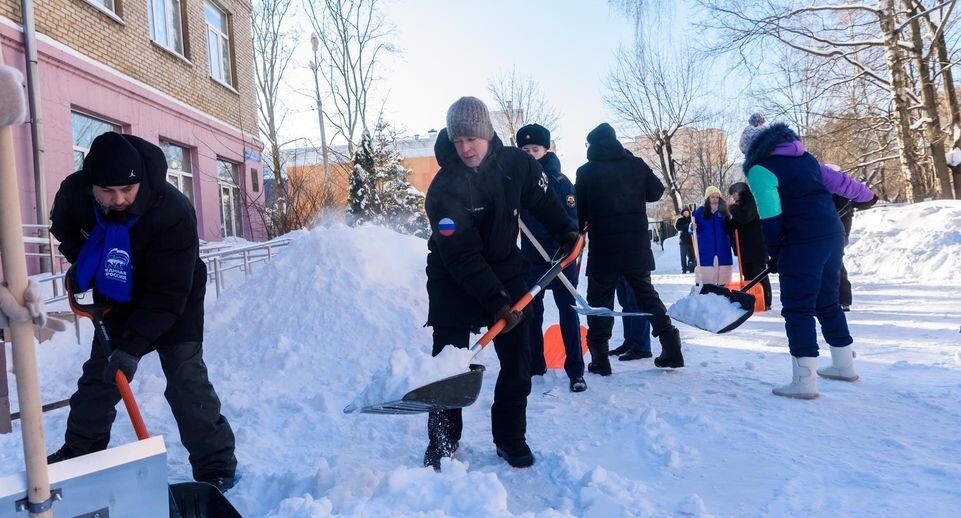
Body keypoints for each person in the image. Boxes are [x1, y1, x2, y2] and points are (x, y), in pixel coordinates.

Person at [46, 132, 238, 491]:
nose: (117, 199)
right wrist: (84, 265)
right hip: (116, 290)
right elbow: (66, 230)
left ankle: (216, 466)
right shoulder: (74, 194)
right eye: (107, 191)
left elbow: (169, 295)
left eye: (126, 190)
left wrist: (131, 349)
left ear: (139, 183)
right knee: (100, 378)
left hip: (172, 294)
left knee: (185, 377)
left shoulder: (173, 211)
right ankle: (80, 453)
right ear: (92, 186)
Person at [423, 97, 578, 469]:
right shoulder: (443, 190)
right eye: (457, 140)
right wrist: (496, 303)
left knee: (518, 359)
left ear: (488, 134)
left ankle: (510, 436)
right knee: (449, 362)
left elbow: (542, 199)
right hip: (453, 275)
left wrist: (565, 230)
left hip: (505, 265)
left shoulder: (516, 165)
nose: (465, 148)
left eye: (472, 139)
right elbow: (461, 256)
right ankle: (443, 439)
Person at [741, 120, 859, 399]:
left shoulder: (760, 169)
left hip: (801, 241)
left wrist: (774, 251)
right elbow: (841, 181)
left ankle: (804, 381)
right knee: (827, 301)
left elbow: (771, 216)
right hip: (831, 235)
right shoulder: (805, 158)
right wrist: (867, 195)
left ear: (751, 149)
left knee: (798, 307)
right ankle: (844, 365)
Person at [574, 123, 684, 375]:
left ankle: (600, 359)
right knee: (646, 295)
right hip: (636, 248)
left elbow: (578, 214)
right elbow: (656, 192)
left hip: (604, 249)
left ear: (591, 145)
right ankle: (671, 347)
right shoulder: (635, 165)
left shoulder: (586, 171)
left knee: (599, 302)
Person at [515, 123, 586, 393]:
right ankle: (535, 366)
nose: (530, 153)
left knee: (568, 313)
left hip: (561, 261)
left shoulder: (559, 182)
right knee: (531, 314)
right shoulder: (518, 184)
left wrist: (565, 250)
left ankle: (576, 371)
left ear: (546, 149)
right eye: (525, 149)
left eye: (535, 149)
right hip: (532, 261)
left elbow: (570, 223)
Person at [728, 182, 772, 309]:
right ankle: (752, 300)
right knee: (748, 276)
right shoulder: (739, 207)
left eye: (734, 193)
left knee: (760, 275)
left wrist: (732, 208)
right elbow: (734, 224)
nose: (733, 197)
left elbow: (746, 217)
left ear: (742, 192)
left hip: (757, 247)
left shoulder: (751, 202)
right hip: (745, 249)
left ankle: (766, 301)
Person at [693, 186, 734, 285]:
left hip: (723, 247)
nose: (715, 199)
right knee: (707, 274)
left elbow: (731, 227)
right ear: (707, 198)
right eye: (712, 197)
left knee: (723, 276)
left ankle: (723, 288)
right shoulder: (699, 212)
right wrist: (692, 227)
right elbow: (692, 229)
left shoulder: (725, 212)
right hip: (706, 247)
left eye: (717, 197)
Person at [607, 278, 652, 361]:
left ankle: (641, 346)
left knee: (637, 303)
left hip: (636, 267)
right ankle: (630, 343)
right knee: (625, 303)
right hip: (619, 266)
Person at [675, 208, 696, 273]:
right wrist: (686, 226)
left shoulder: (692, 219)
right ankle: (684, 269)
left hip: (691, 240)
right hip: (683, 241)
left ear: (689, 212)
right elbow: (677, 227)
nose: (686, 213)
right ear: (682, 213)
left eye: (687, 212)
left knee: (691, 255)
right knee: (683, 256)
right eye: (684, 212)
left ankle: (691, 268)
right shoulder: (680, 220)